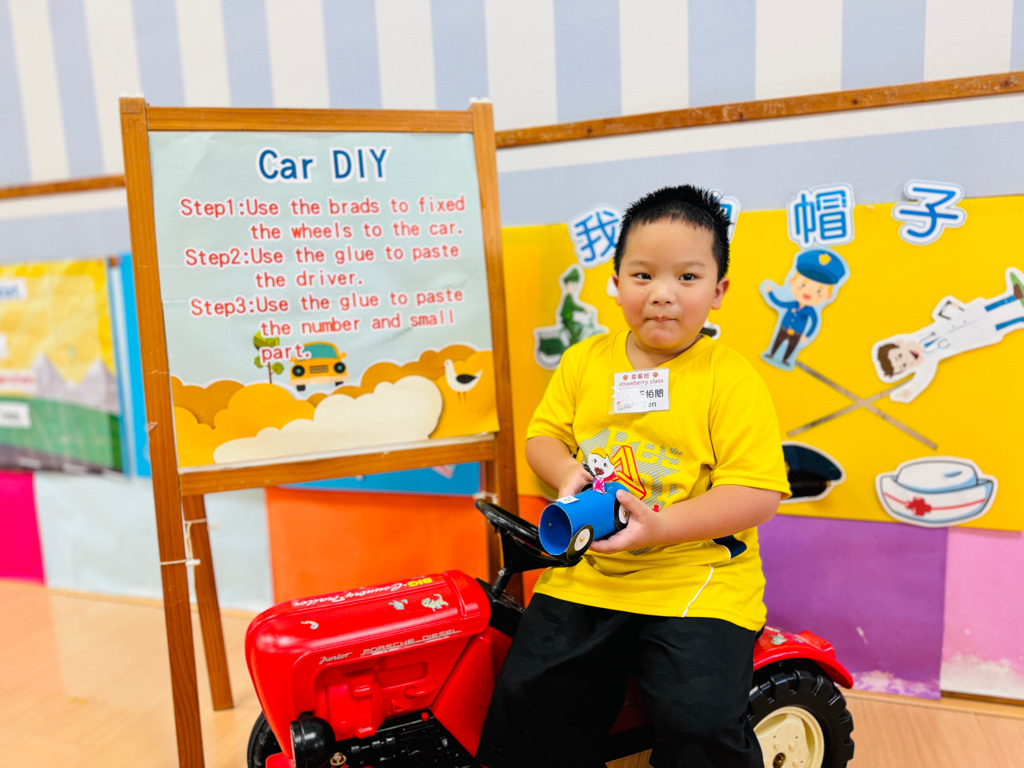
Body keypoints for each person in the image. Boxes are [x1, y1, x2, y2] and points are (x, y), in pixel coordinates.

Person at [476, 185, 790, 768]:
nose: (662, 294)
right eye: (643, 276)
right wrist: (565, 470)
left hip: (697, 581)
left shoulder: (730, 378)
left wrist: (662, 527)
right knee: (529, 698)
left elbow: (756, 493)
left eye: (687, 277)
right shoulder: (584, 362)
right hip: (588, 572)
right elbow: (543, 438)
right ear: (616, 283)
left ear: (718, 291)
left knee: (700, 726)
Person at [872, 267, 1024, 403]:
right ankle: (1020, 317)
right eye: (904, 366)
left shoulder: (920, 335)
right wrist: (911, 390)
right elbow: (923, 377)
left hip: (965, 317)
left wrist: (949, 310)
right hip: (976, 334)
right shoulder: (930, 359)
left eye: (899, 356)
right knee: (1001, 324)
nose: (907, 359)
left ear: (899, 342)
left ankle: (1013, 296)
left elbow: (941, 320)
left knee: (988, 308)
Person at [760, 247, 847, 368]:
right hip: (783, 328)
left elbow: (814, 323)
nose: (809, 292)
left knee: (791, 347)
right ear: (792, 281)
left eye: (818, 291)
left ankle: (785, 360)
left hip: (798, 333)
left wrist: (807, 335)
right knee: (778, 341)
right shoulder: (791, 303)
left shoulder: (811, 311)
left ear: (829, 295)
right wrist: (770, 292)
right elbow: (779, 303)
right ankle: (771, 353)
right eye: (803, 285)